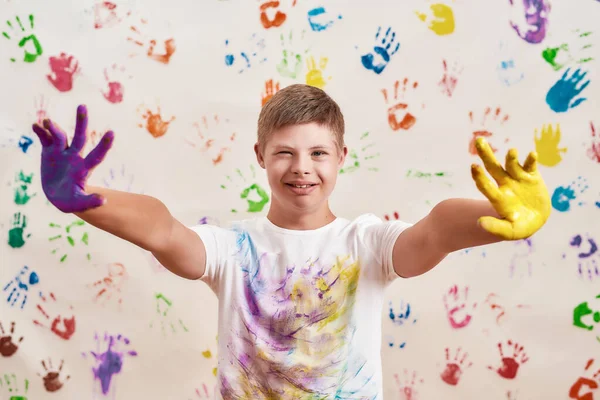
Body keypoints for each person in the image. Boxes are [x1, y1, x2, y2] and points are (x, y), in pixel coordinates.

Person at [31, 84, 551, 399]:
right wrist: (86, 195)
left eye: (319, 153)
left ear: (342, 155)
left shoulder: (366, 242)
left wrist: (495, 214)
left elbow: (436, 228)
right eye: (284, 153)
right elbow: (164, 229)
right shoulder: (232, 250)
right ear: (260, 155)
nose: (302, 168)